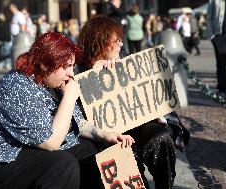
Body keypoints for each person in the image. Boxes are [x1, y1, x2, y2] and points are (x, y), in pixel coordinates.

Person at [0, 32, 134, 189]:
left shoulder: (51, 79)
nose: (71, 73)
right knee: (63, 166)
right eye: (65, 67)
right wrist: (69, 97)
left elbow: (77, 121)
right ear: (44, 65)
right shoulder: (16, 88)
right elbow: (51, 142)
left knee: (101, 153)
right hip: (9, 158)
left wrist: (104, 135)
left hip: (39, 144)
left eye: (72, 66)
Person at [78, 16, 190, 189]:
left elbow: (146, 95)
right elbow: (79, 116)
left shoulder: (124, 58)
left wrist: (157, 114)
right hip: (103, 134)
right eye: (117, 41)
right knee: (124, 159)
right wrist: (94, 76)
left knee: (161, 137)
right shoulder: (79, 69)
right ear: (101, 42)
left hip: (134, 125)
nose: (121, 45)